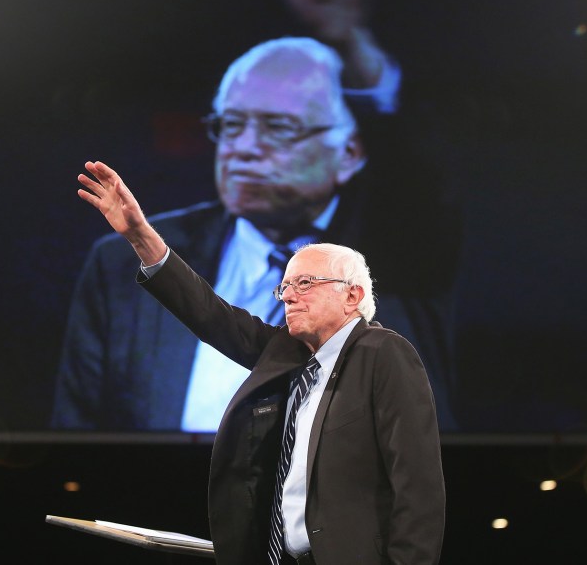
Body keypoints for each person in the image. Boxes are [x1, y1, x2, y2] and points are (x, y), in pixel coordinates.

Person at [50, 34, 459, 432]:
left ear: (349, 152)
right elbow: (79, 432)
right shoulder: (120, 263)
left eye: (278, 126)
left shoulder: (410, 264)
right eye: (231, 124)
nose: (243, 147)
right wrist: (143, 241)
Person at [75, 160, 445, 565]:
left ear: (352, 296)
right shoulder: (286, 354)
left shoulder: (382, 353)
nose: (289, 296)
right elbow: (210, 315)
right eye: (284, 287)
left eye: (305, 283)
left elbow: (418, 484)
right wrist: (140, 236)